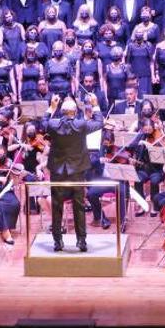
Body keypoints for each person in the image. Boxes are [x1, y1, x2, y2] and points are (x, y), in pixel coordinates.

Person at [44, 95, 104, 252]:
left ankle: (57, 241)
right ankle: (81, 241)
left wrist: (51, 108)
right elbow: (99, 122)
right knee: (79, 206)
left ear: (62, 112)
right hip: (76, 170)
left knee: (57, 206)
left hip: (58, 171)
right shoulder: (81, 124)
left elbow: (43, 122)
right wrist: (95, 104)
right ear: (75, 111)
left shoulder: (53, 123)